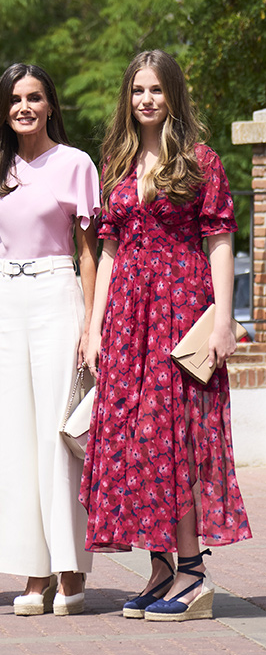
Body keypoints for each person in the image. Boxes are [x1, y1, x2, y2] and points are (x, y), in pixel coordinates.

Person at [80, 49, 252, 621]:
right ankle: (160, 567)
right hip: (128, 317)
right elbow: (107, 249)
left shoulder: (201, 161)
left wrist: (224, 318)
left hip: (182, 309)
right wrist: (94, 325)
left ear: (173, 95)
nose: (145, 100)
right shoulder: (118, 159)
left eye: (155, 90)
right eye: (136, 91)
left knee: (175, 441)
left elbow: (221, 240)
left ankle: (194, 573)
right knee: (134, 440)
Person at [0, 63, 99, 616]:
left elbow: (89, 253)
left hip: (58, 296)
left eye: (34, 97)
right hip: (10, 305)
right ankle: (32, 573)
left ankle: (70, 570)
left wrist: (92, 326)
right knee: (16, 439)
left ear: (49, 105)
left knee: (56, 436)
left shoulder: (76, 164)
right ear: (3, 107)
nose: (24, 107)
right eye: (15, 98)